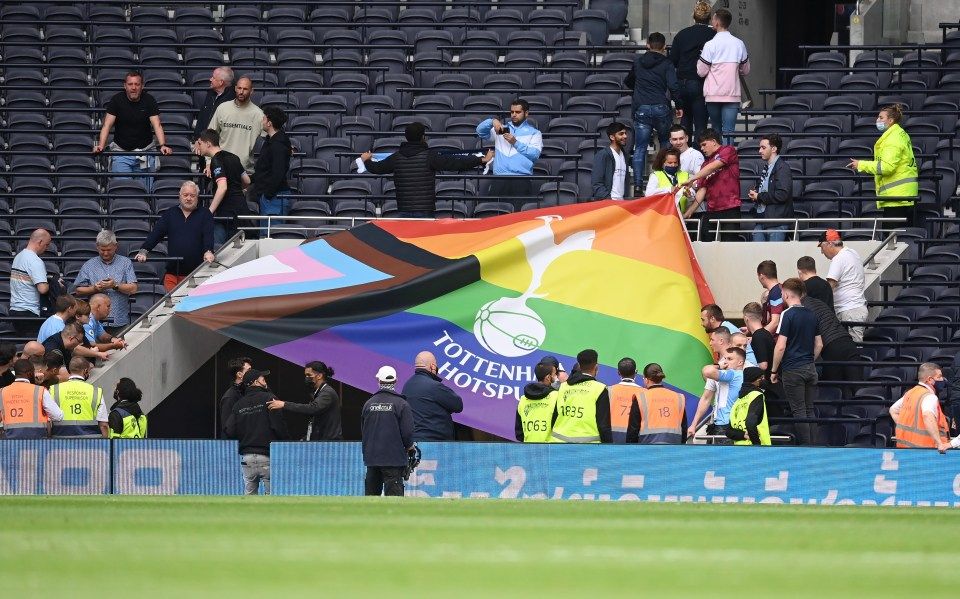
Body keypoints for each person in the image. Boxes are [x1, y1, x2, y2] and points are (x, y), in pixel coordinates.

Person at [361, 122, 492, 217]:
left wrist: (366, 160)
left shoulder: (396, 157)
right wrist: (480, 160)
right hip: (425, 211)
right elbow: (455, 163)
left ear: (406, 137)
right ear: (423, 137)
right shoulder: (430, 156)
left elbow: (377, 168)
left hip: (403, 210)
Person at [93, 71, 172, 193]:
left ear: (142, 86)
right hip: (122, 153)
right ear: (125, 86)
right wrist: (101, 146)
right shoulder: (116, 100)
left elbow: (157, 125)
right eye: (130, 84)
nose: (133, 87)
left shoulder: (149, 100)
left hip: (145, 152)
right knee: (123, 191)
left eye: (137, 84)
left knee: (144, 193)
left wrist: (163, 145)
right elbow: (106, 125)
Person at [624, 32, 683, 190]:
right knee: (664, 144)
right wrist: (679, 105)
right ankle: (663, 180)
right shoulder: (667, 63)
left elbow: (628, 81)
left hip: (641, 108)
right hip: (661, 108)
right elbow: (673, 86)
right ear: (664, 47)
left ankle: (638, 185)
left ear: (647, 45)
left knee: (640, 147)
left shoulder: (638, 62)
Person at [847, 103, 917, 230]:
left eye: (881, 117)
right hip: (902, 194)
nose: (877, 120)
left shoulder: (893, 139)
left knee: (892, 237)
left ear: (891, 120)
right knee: (901, 235)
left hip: (897, 196)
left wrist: (861, 164)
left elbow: (887, 167)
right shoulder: (899, 134)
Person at [770, 278, 823, 446]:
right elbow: (819, 344)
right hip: (810, 368)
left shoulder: (787, 314)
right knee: (809, 409)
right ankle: (814, 445)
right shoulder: (812, 314)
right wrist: (809, 360)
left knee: (799, 410)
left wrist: (774, 370)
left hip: (793, 369)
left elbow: (780, 346)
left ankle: (806, 447)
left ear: (786, 294)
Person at [137, 180, 216, 290]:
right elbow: (156, 233)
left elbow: (208, 235)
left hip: (198, 274)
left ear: (197, 197)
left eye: (192, 195)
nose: (188, 198)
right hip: (173, 274)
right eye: (185, 195)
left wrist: (208, 251)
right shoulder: (170, 213)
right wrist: (144, 250)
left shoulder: (205, 214)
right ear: (180, 196)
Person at [224, 369, 289, 495]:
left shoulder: (238, 404)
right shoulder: (270, 399)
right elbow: (279, 426)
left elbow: (229, 430)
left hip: (247, 458)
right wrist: (287, 442)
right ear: (255, 382)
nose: (265, 381)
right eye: (263, 379)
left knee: (249, 497)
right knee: (272, 497)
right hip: (267, 455)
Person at [696, 8, 750, 146]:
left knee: (716, 129)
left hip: (713, 93)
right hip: (732, 93)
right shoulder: (739, 43)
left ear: (717, 23)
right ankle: (728, 157)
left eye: (713, 19)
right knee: (729, 131)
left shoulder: (710, 45)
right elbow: (746, 69)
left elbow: (701, 71)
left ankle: (717, 157)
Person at [476, 99, 543, 206]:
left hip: (521, 180)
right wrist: (492, 121)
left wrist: (515, 142)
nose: (514, 115)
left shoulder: (535, 133)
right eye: (512, 112)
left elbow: (534, 154)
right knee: (495, 213)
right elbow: (480, 131)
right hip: (499, 179)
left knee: (519, 215)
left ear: (526, 113)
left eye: (518, 112)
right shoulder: (501, 129)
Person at [361, 366, 414, 496]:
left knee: (371, 499)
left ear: (378, 380)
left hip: (372, 459)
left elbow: (364, 430)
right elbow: (407, 432)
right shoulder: (401, 404)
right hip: (393, 459)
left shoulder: (368, 403)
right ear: (396, 381)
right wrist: (409, 446)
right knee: (394, 501)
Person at [72, 230, 138, 334]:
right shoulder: (89, 265)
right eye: (102, 250)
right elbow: (78, 290)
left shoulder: (126, 263)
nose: (105, 253)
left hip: (119, 320)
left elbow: (133, 289)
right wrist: (94, 288)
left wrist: (115, 285)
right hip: (94, 322)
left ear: (116, 246)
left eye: (109, 250)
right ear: (97, 247)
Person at [680, 129, 741, 241]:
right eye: (700, 146)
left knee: (730, 243)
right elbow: (702, 190)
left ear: (713, 141)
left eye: (704, 145)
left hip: (730, 207)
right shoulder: (705, 164)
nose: (702, 149)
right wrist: (688, 213)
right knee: (707, 242)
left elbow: (714, 166)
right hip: (712, 209)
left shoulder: (728, 150)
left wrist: (692, 178)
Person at [669, 1, 715, 143]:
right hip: (700, 82)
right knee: (701, 125)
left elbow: (673, 60)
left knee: (685, 122)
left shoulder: (682, 34)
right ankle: (699, 155)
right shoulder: (713, 35)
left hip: (682, 81)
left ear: (693, 16)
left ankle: (684, 154)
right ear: (710, 17)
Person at [196, 129, 251, 247]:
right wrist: (237, 190)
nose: (198, 146)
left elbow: (222, 187)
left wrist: (209, 212)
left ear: (208, 144)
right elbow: (247, 180)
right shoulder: (234, 157)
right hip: (242, 207)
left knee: (229, 250)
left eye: (200, 143)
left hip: (228, 212)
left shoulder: (216, 160)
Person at [801, 289, 860, 396]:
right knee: (857, 387)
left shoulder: (802, 310)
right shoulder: (819, 303)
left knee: (835, 392)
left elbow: (817, 343)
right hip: (847, 341)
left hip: (831, 347)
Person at [549, 349, 612, 443]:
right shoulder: (600, 389)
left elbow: (555, 417)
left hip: (559, 444)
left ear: (579, 365)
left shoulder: (563, 387)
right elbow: (604, 426)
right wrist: (609, 447)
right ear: (596, 367)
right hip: (588, 447)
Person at [268, 360, 342, 440]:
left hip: (329, 443)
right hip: (322, 441)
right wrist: (306, 438)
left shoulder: (327, 392)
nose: (306, 378)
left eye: (309, 375)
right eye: (305, 375)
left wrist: (284, 404)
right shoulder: (319, 393)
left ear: (319, 376)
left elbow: (312, 408)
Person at [818, 229, 868, 342]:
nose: (822, 252)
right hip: (855, 308)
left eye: (822, 247)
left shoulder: (839, 258)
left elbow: (829, 286)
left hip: (848, 310)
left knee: (853, 348)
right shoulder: (852, 253)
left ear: (829, 243)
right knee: (853, 346)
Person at [205, 76, 263, 173]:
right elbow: (210, 135)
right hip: (221, 168)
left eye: (245, 89)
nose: (241, 92)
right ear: (235, 88)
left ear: (251, 91)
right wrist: (208, 162)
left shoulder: (258, 114)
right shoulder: (223, 108)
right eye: (239, 88)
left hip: (245, 171)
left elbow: (272, 135)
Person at [402, 351, 463, 441]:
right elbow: (458, 405)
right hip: (434, 442)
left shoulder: (407, 386)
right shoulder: (434, 386)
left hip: (413, 441)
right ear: (432, 366)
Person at [890, 363, 950, 452]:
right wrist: (939, 443)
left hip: (905, 449)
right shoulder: (930, 397)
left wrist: (906, 430)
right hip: (926, 451)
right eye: (939, 376)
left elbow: (893, 410)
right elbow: (927, 416)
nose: (942, 379)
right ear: (930, 379)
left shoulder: (910, 393)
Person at [693, 346, 747, 441]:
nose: (725, 362)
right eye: (725, 358)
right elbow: (705, 398)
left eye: (730, 359)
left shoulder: (734, 374)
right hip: (726, 423)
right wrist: (694, 424)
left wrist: (718, 365)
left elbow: (707, 371)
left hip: (726, 424)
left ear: (740, 362)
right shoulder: (737, 375)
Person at [0, 359, 63, 438]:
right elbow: (58, 416)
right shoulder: (40, 391)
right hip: (36, 440)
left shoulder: (2, 392)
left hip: (11, 441)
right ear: (30, 373)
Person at [9, 228, 54, 339]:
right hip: (29, 312)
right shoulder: (35, 261)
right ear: (40, 242)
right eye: (47, 244)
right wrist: (53, 283)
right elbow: (42, 289)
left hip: (15, 310)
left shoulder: (19, 257)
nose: (47, 248)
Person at [252, 106, 292, 227]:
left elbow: (278, 172)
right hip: (271, 197)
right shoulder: (271, 141)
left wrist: (267, 194)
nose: (262, 121)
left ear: (269, 123)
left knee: (271, 234)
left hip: (273, 198)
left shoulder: (278, 145)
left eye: (264, 118)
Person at [627, 362, 686, 444]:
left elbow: (633, 431)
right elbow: (684, 428)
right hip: (674, 447)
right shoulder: (678, 397)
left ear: (646, 380)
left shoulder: (641, 398)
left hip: (647, 448)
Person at [748, 134, 793, 241]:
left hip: (776, 222)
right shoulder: (769, 167)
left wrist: (759, 196)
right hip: (764, 220)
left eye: (763, 148)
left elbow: (782, 195)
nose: (760, 151)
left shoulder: (782, 167)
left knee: (774, 252)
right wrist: (756, 194)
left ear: (773, 149)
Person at [50, 357, 109, 438]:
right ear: (85, 371)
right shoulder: (96, 391)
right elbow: (103, 425)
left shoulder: (54, 389)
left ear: (70, 370)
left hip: (61, 439)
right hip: (90, 440)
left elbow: (48, 420)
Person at [725, 366, 770, 445]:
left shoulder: (738, 401)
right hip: (757, 448)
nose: (763, 380)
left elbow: (728, 431)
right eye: (762, 378)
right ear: (757, 379)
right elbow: (750, 423)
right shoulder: (757, 395)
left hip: (739, 447)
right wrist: (757, 445)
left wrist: (743, 435)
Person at [516, 361, 559, 442]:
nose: (556, 377)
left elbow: (519, 433)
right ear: (548, 377)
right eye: (554, 374)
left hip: (529, 447)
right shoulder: (556, 396)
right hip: (550, 447)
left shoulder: (523, 399)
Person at [192, 66, 236, 143]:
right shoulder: (210, 94)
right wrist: (197, 139)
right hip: (204, 142)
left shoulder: (232, 99)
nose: (210, 79)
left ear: (221, 82)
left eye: (213, 78)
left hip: (220, 144)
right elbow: (202, 117)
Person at [606, 357, 643, 444]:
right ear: (636, 372)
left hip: (612, 437)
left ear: (618, 372)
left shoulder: (608, 390)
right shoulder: (645, 393)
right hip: (636, 437)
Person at [590, 121, 629, 200]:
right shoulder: (603, 155)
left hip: (622, 203)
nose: (625, 136)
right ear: (612, 137)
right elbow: (596, 183)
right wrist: (608, 199)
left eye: (625, 133)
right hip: (608, 203)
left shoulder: (624, 155)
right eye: (621, 134)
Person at [43, 322, 108, 364]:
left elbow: (77, 350)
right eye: (79, 341)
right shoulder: (53, 349)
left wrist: (98, 354)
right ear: (71, 338)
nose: (80, 344)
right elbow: (60, 374)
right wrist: (84, 369)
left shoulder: (64, 341)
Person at [219, 356, 252, 439]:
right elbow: (228, 429)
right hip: (236, 444)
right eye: (249, 370)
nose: (253, 373)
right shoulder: (230, 397)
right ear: (239, 374)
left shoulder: (247, 392)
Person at [757, 260, 784, 334]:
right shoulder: (780, 289)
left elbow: (775, 322)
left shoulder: (776, 293)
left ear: (761, 276)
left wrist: (759, 336)